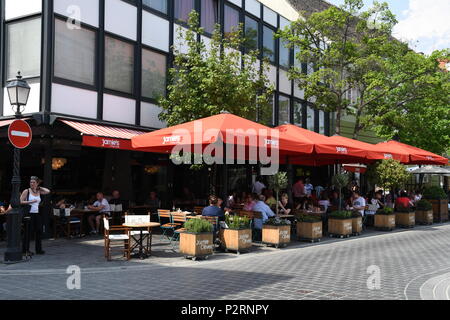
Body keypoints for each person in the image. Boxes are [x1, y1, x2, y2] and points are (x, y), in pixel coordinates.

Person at [20, 176, 51, 255]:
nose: (32, 184)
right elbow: (20, 201)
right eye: (31, 182)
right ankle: (25, 250)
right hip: (29, 213)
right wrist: (30, 201)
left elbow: (48, 191)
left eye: (34, 182)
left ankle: (39, 249)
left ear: (37, 183)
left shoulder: (38, 191)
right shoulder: (26, 191)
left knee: (39, 231)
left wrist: (39, 187)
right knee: (28, 232)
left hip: (36, 213)